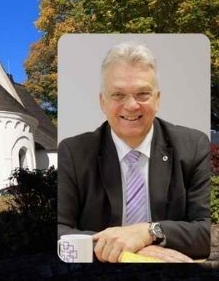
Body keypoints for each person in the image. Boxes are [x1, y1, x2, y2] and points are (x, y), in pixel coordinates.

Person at [57, 42, 210, 262]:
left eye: (142, 94)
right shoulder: (72, 153)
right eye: (118, 95)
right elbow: (59, 231)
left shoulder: (194, 146)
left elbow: (205, 231)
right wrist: (129, 251)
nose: (131, 105)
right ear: (103, 102)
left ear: (157, 99)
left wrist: (148, 232)